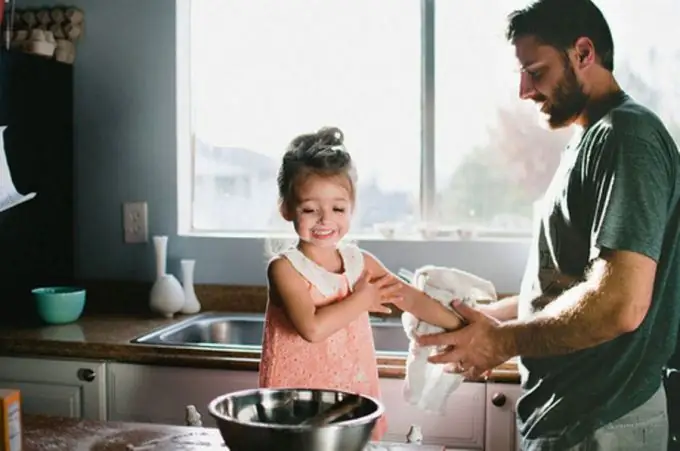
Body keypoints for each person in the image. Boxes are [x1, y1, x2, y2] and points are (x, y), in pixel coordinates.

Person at [405, 0, 680, 449]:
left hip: (602, 422)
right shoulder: (590, 141)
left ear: (584, 53)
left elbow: (621, 303)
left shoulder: (627, 139)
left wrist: (500, 343)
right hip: (571, 420)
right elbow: (570, 287)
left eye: (535, 71)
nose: (524, 91)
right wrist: (480, 322)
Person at [259, 126, 463, 440]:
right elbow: (312, 328)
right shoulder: (285, 269)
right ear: (286, 208)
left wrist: (461, 327)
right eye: (311, 209)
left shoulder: (359, 263)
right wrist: (362, 300)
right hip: (295, 407)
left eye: (338, 208)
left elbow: (409, 298)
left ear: (351, 208)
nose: (325, 219)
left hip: (350, 398)